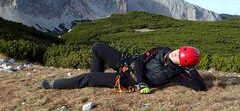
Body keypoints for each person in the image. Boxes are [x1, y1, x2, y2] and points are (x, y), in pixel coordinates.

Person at [41, 41, 207, 94]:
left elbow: (200, 87)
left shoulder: (177, 74)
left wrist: (191, 68)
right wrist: (143, 83)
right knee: (98, 47)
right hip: (127, 63)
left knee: (88, 78)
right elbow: (139, 62)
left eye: (178, 56)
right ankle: (97, 79)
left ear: (182, 64)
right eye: (178, 51)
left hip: (128, 79)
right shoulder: (161, 50)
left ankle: (53, 84)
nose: (174, 53)